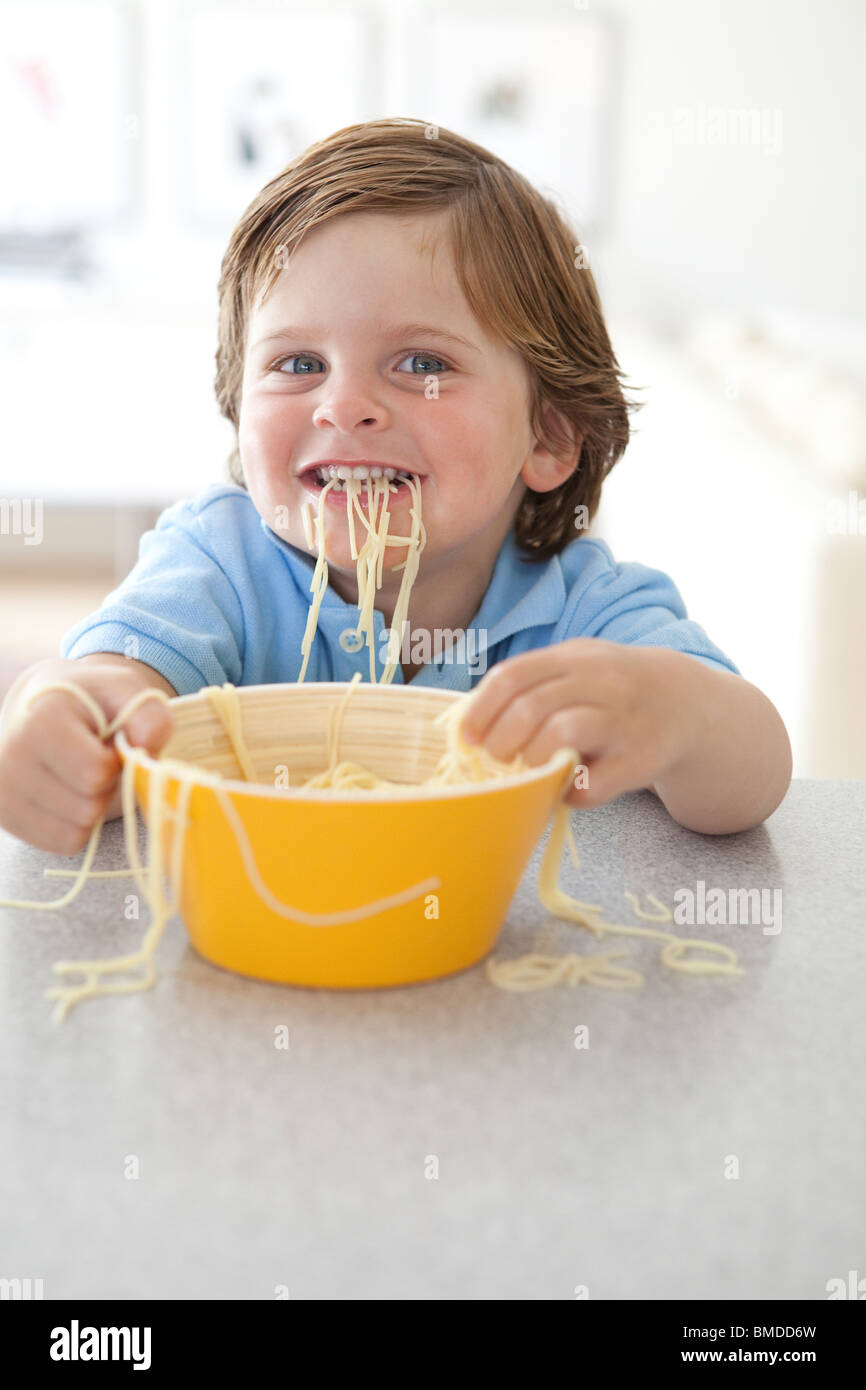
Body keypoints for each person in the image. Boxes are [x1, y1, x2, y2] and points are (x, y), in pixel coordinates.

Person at [0, 119, 792, 855]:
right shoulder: (217, 564)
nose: (343, 407)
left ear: (548, 435)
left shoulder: (585, 610)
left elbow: (751, 772)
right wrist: (62, 721)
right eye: (299, 364)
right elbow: (112, 681)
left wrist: (673, 714)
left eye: (423, 365)